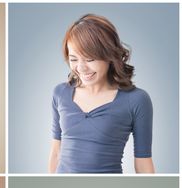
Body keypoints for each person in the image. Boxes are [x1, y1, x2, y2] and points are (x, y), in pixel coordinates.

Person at [48, 14, 155, 173]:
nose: (81, 68)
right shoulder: (60, 93)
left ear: (109, 56)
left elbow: (143, 162)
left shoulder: (136, 100)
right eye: (73, 59)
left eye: (90, 59)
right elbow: (56, 152)